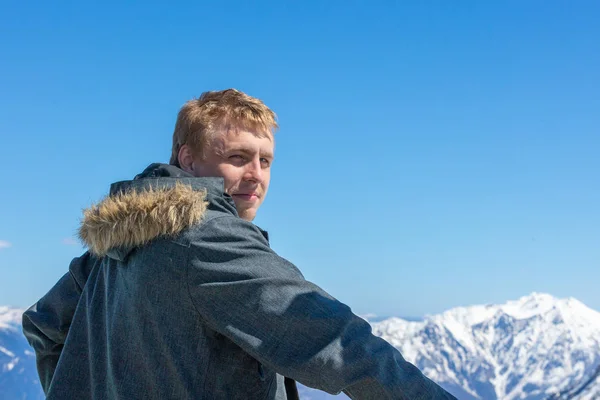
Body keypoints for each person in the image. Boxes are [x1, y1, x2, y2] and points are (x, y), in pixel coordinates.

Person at [22, 89, 456, 399]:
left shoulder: (114, 248)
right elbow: (340, 342)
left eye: (264, 160)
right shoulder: (206, 238)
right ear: (188, 158)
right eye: (237, 157)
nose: (256, 175)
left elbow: (44, 326)